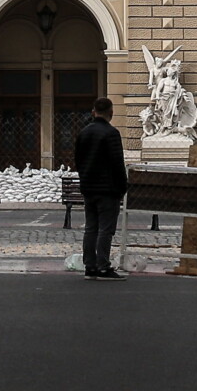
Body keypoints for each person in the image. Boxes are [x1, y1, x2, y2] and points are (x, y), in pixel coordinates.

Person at [72, 97, 128, 281]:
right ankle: (103, 266)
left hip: (89, 187)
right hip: (107, 188)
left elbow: (78, 161)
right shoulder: (111, 134)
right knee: (106, 229)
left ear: (93, 112)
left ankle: (90, 266)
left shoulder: (83, 133)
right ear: (111, 113)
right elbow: (117, 163)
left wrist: (85, 179)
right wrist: (122, 187)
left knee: (91, 228)